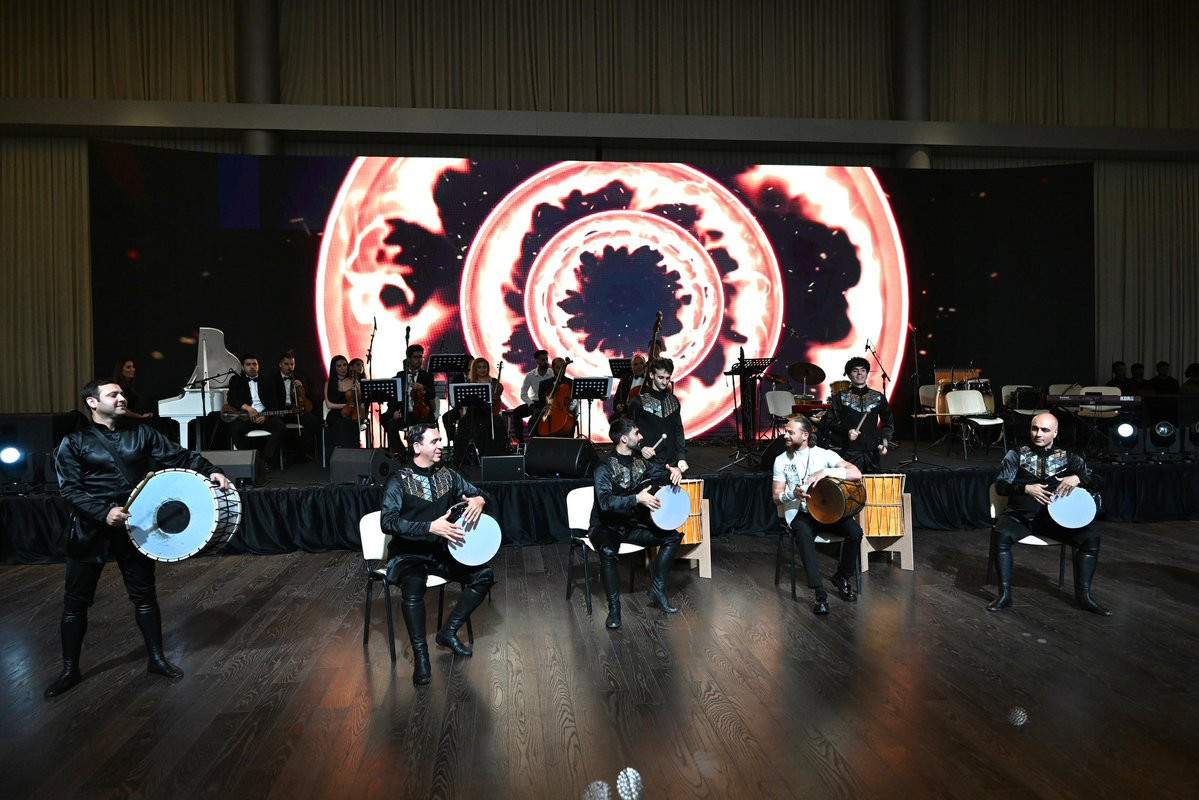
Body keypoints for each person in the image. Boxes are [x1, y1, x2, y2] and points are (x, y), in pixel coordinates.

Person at [46, 378, 231, 698]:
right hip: (90, 529)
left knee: (144, 596)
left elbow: (180, 456)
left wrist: (211, 469)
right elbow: (70, 489)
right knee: (76, 602)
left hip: (134, 526)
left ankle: (156, 659)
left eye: (122, 393)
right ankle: (69, 670)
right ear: (92, 402)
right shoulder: (74, 442)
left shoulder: (142, 433)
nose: (121, 398)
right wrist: (103, 512)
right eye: (113, 394)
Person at [379, 423, 496, 685]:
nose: (441, 445)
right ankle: (421, 656)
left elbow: (478, 494)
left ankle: (448, 632)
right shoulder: (399, 480)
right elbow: (388, 522)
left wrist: (480, 500)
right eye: (435, 441)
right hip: (409, 554)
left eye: (440, 440)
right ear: (417, 447)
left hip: (441, 552)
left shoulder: (448, 475)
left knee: (484, 575)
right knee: (414, 586)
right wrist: (429, 527)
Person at [989, 413, 1111, 615]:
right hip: (1020, 517)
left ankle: (1084, 597)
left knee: (1091, 538)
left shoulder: (1069, 457)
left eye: (1045, 430)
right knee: (1001, 534)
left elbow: (1099, 482)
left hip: (1055, 522)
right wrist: (1025, 489)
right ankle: (1005, 595)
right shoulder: (1016, 454)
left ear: (1055, 433)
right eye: (1034, 428)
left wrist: (1079, 478)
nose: (1038, 434)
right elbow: (1000, 486)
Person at [590, 418, 685, 629]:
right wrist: (636, 499)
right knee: (607, 552)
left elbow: (660, 475)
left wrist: (674, 471)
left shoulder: (639, 462)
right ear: (624, 439)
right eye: (636, 433)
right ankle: (614, 609)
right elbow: (605, 503)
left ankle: (657, 590)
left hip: (630, 526)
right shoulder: (604, 467)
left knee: (673, 537)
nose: (641, 437)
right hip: (606, 527)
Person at [771, 416, 863, 615]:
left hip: (830, 512)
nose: (785, 435)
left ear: (805, 435)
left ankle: (842, 577)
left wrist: (826, 472)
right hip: (802, 513)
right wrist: (792, 494)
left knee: (855, 533)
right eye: (786, 432)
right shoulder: (781, 460)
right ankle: (819, 593)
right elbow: (776, 498)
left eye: (790, 432)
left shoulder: (824, 455)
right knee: (803, 536)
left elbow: (856, 473)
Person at [822, 356, 894, 474]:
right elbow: (830, 423)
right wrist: (847, 431)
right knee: (852, 484)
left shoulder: (878, 397)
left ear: (867, 373)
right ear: (849, 375)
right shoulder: (840, 397)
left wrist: (884, 442)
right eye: (855, 371)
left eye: (863, 370)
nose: (860, 373)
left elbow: (888, 423)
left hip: (872, 452)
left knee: (873, 483)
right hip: (850, 451)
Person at [628, 357, 688, 484]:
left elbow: (678, 430)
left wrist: (681, 457)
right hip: (648, 465)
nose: (665, 382)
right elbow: (627, 431)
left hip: (671, 465)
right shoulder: (638, 402)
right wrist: (641, 448)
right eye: (661, 377)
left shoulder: (673, 401)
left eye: (667, 378)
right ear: (651, 375)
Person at [225, 354, 286, 468]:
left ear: (258, 366)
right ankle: (250, 460)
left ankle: (265, 460)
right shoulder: (236, 380)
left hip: (264, 415)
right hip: (245, 417)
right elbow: (231, 399)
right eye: (248, 364)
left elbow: (274, 403)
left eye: (254, 364)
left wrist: (265, 417)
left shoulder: (268, 381)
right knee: (235, 429)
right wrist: (248, 408)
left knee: (280, 427)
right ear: (243, 367)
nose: (252, 366)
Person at [261, 351, 320, 459]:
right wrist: (276, 411)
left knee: (312, 420)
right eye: (286, 364)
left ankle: (304, 451)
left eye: (292, 364)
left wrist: (301, 389)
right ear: (280, 364)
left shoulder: (299, 378)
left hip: (295, 411)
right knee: (278, 426)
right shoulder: (272, 379)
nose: (290, 367)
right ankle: (278, 456)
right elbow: (269, 399)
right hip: (280, 412)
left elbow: (308, 399)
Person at [384, 344, 437, 454]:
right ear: (408, 359)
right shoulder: (401, 375)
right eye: (415, 357)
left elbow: (432, 394)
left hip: (422, 414)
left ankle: (420, 453)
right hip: (406, 413)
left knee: (421, 426)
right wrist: (395, 411)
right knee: (391, 424)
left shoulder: (427, 376)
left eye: (421, 357)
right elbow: (395, 397)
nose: (419, 360)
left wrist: (422, 387)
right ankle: (402, 453)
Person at [511, 349, 552, 443]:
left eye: (546, 359)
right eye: (543, 360)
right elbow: (523, 394)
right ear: (537, 361)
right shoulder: (530, 375)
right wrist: (531, 404)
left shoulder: (552, 373)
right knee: (517, 412)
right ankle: (520, 441)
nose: (546, 362)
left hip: (549, 402)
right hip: (535, 403)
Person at [324, 354, 361, 453]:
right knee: (341, 424)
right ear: (334, 368)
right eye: (339, 366)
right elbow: (329, 405)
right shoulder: (329, 383)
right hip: (335, 414)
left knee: (351, 423)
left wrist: (358, 390)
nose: (343, 368)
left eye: (345, 365)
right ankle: (343, 454)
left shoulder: (353, 381)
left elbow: (359, 401)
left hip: (351, 413)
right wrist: (346, 406)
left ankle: (354, 453)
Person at [610, 353, 648, 420]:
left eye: (641, 363)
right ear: (631, 367)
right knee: (613, 419)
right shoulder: (625, 378)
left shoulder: (650, 378)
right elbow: (617, 399)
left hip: (644, 412)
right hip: (626, 410)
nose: (639, 366)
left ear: (645, 365)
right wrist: (618, 406)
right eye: (635, 364)